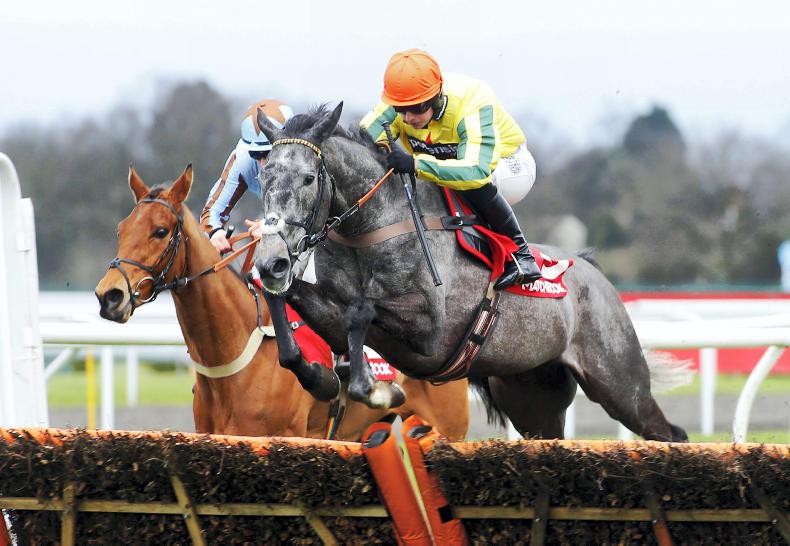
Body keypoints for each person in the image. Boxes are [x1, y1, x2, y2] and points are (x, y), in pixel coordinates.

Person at [361, 48, 542, 290]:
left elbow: (475, 172)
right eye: (400, 109)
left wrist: (415, 164)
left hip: (509, 165)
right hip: (453, 169)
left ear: (436, 97)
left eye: (416, 108)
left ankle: (522, 256)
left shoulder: (472, 100)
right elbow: (360, 144)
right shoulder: (401, 101)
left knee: (467, 185)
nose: (407, 118)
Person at [200, 99, 294, 253]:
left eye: (268, 153)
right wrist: (215, 232)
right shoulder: (242, 158)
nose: (262, 164)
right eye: (256, 155)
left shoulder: (307, 157)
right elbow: (212, 211)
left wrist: (272, 224)